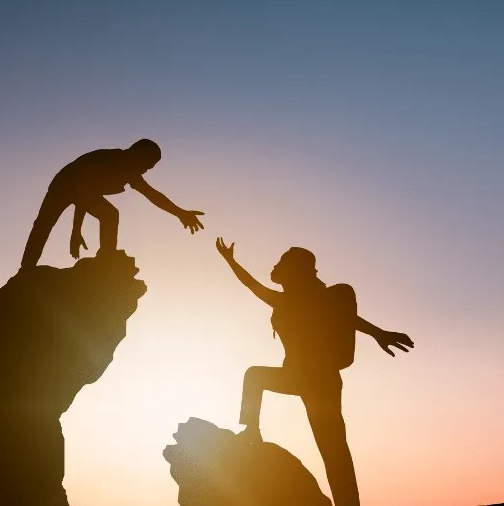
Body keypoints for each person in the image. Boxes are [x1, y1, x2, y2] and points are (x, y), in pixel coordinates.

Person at [215, 237, 414, 506]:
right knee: (256, 377)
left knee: (333, 448)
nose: (274, 266)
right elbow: (251, 285)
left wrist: (379, 333)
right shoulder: (283, 300)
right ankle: (251, 430)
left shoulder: (315, 298)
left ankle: (348, 502)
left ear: (296, 269)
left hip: (320, 381)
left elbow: (346, 318)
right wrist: (230, 260)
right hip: (300, 377)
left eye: (281, 262)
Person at [20, 139, 205, 267]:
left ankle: (107, 257)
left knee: (110, 215)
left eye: (150, 167)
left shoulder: (130, 170)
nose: (146, 170)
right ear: (137, 154)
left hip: (83, 189)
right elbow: (82, 191)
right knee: (44, 224)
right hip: (64, 183)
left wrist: (180, 213)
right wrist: (76, 231)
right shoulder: (112, 161)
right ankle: (26, 268)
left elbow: (152, 195)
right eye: (147, 164)